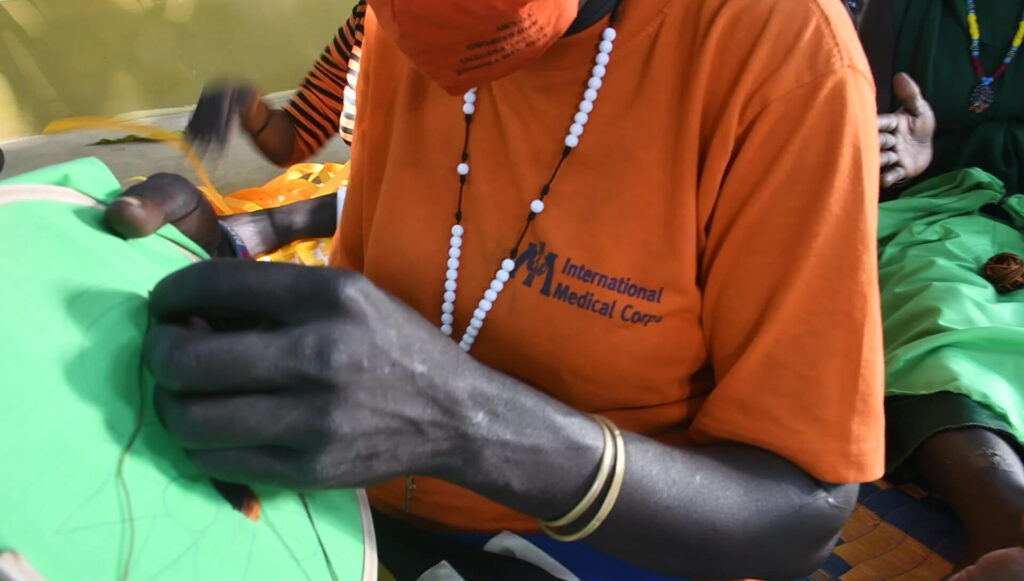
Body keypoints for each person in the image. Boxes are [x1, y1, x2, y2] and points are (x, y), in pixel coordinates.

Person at [107, 0, 885, 578]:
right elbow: (377, 319)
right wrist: (233, 293)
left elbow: (801, 511)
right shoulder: (409, 25)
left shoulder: (784, 58)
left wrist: (469, 426)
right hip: (356, 516)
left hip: (602, 548)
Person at [860, 0, 1024, 577]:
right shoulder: (899, 10)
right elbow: (850, 129)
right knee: (938, 307)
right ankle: (1004, 520)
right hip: (936, 212)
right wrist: (921, 156)